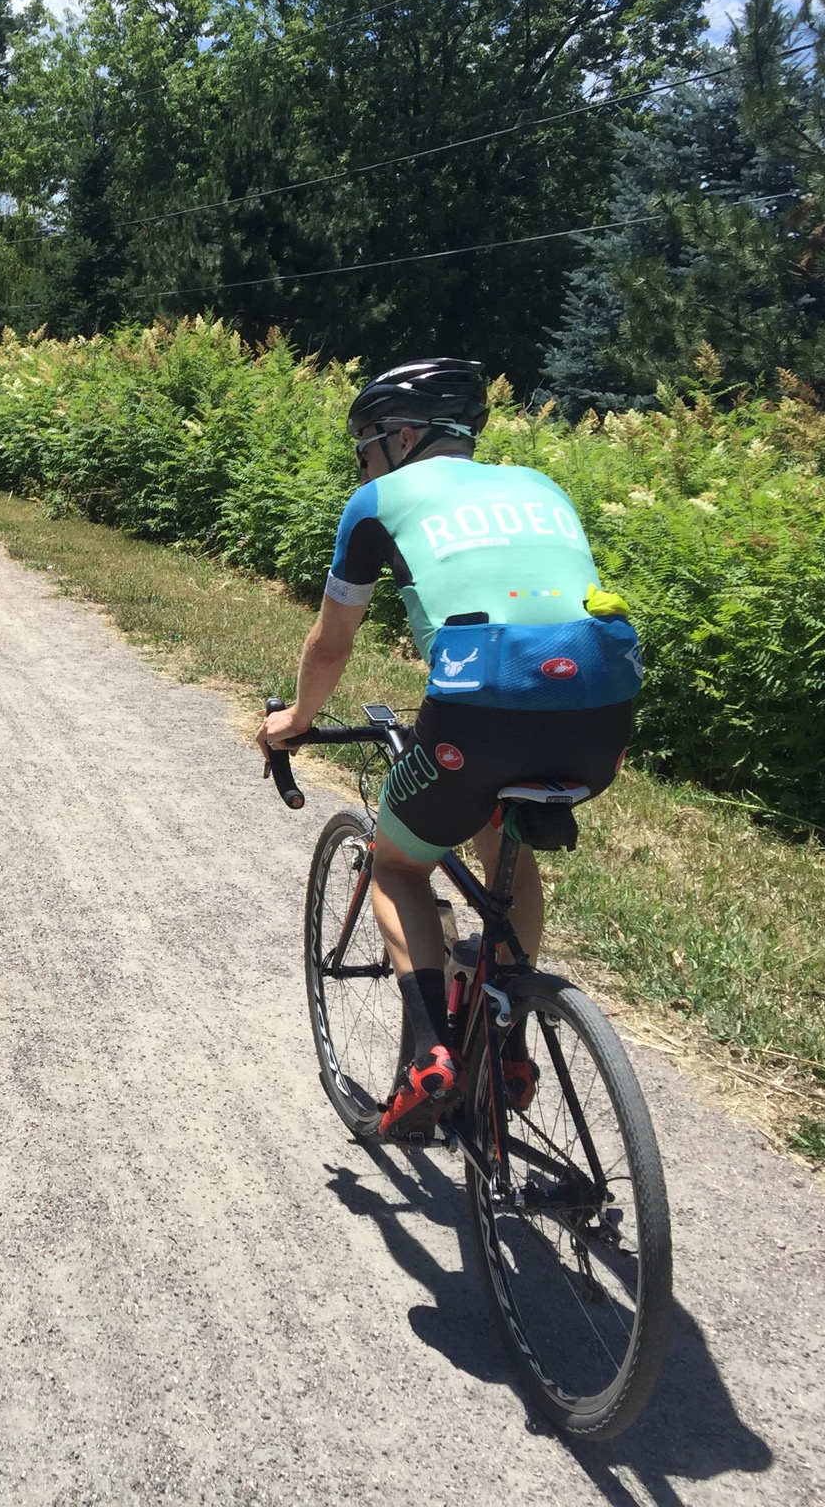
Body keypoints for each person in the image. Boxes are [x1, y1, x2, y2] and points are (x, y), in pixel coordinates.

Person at [257, 358, 642, 1143]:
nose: (362, 464)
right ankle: (504, 1038)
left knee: (398, 861)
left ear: (401, 437)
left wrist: (295, 718)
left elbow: (330, 646)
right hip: (601, 711)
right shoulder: (541, 486)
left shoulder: (376, 501)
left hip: (479, 713)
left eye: (365, 446)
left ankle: (430, 1053)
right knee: (501, 830)